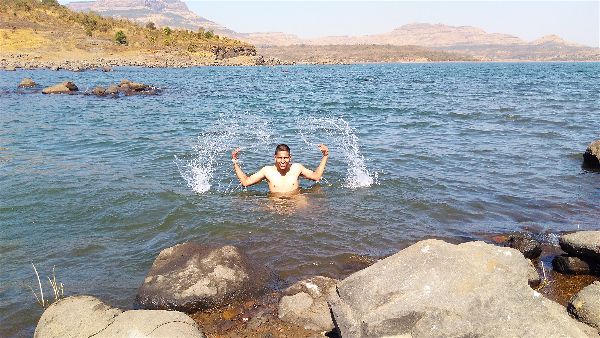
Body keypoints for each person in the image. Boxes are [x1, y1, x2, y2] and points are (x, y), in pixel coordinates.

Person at [231, 143, 329, 194]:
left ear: (290, 158)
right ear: (275, 158)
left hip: (296, 202)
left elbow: (316, 176)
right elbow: (245, 182)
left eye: (285, 158)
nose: (283, 161)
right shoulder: (267, 171)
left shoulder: (297, 168)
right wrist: (235, 161)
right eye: (280, 158)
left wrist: (325, 156)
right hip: (275, 204)